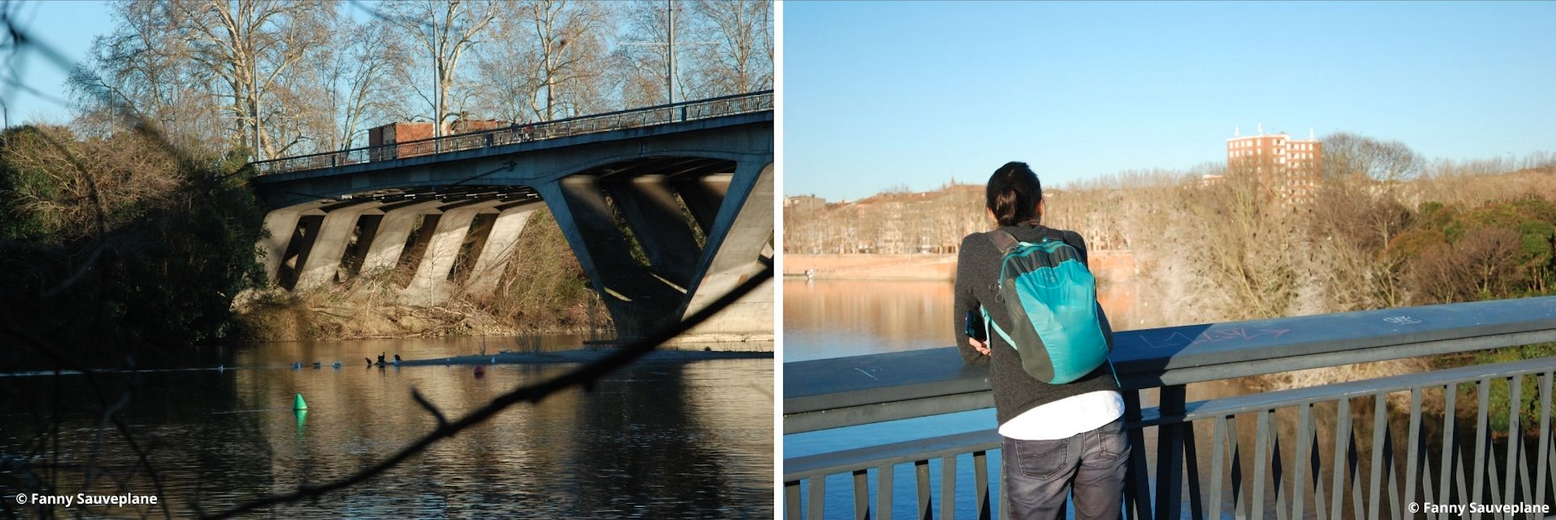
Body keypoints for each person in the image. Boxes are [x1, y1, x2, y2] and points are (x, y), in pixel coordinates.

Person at [952, 161, 1128, 520]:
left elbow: (967, 347)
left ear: (991, 212)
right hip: (1105, 412)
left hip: (1034, 424)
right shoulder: (1070, 241)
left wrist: (988, 347)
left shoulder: (975, 248)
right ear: (1040, 205)